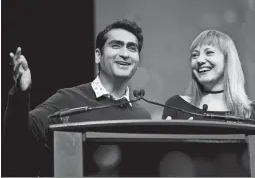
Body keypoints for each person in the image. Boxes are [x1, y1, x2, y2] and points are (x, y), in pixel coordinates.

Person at [3, 19, 151, 176]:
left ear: (137, 61)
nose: (125, 54)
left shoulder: (142, 116)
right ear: (97, 55)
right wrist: (21, 92)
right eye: (116, 45)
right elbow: (19, 136)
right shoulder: (67, 99)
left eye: (132, 48)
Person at [162, 29, 255, 125]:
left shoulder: (253, 111)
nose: (199, 60)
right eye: (195, 55)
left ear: (228, 61)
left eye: (209, 53)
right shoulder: (175, 105)